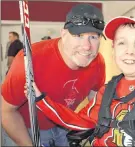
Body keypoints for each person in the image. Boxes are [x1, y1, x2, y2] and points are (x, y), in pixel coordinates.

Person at [29, 16, 135, 146]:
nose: (129, 51)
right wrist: (41, 100)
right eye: (122, 43)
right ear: (113, 50)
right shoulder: (107, 90)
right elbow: (79, 121)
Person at [1, 3, 105, 146]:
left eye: (93, 37)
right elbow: (6, 112)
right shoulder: (30, 61)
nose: (87, 46)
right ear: (63, 33)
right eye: (79, 35)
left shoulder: (97, 63)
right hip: (25, 128)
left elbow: (95, 102)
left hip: (62, 125)